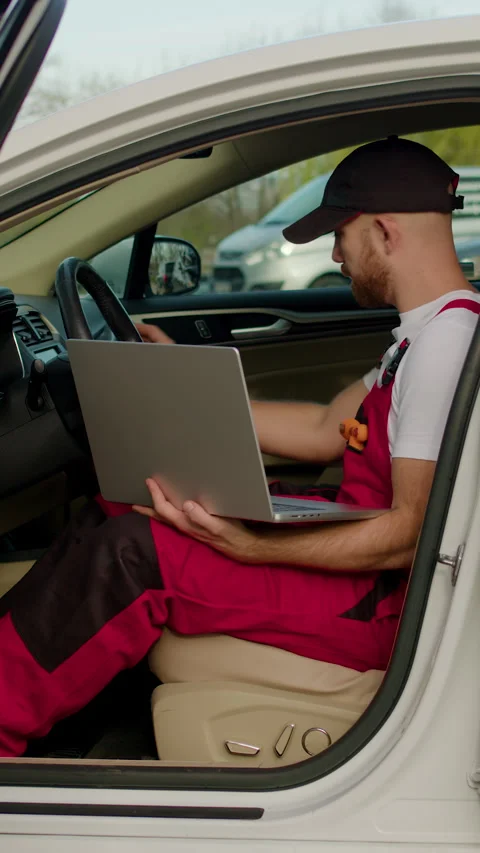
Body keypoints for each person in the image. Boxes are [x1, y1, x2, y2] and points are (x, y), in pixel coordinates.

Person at [1, 136, 479, 757]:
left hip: (378, 607)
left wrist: (251, 544)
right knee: (125, 504)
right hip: (359, 573)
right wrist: (180, 379)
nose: (336, 256)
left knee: (132, 551)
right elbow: (319, 430)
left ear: (386, 232)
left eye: (341, 235)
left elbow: (413, 533)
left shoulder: (447, 348)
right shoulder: (425, 336)